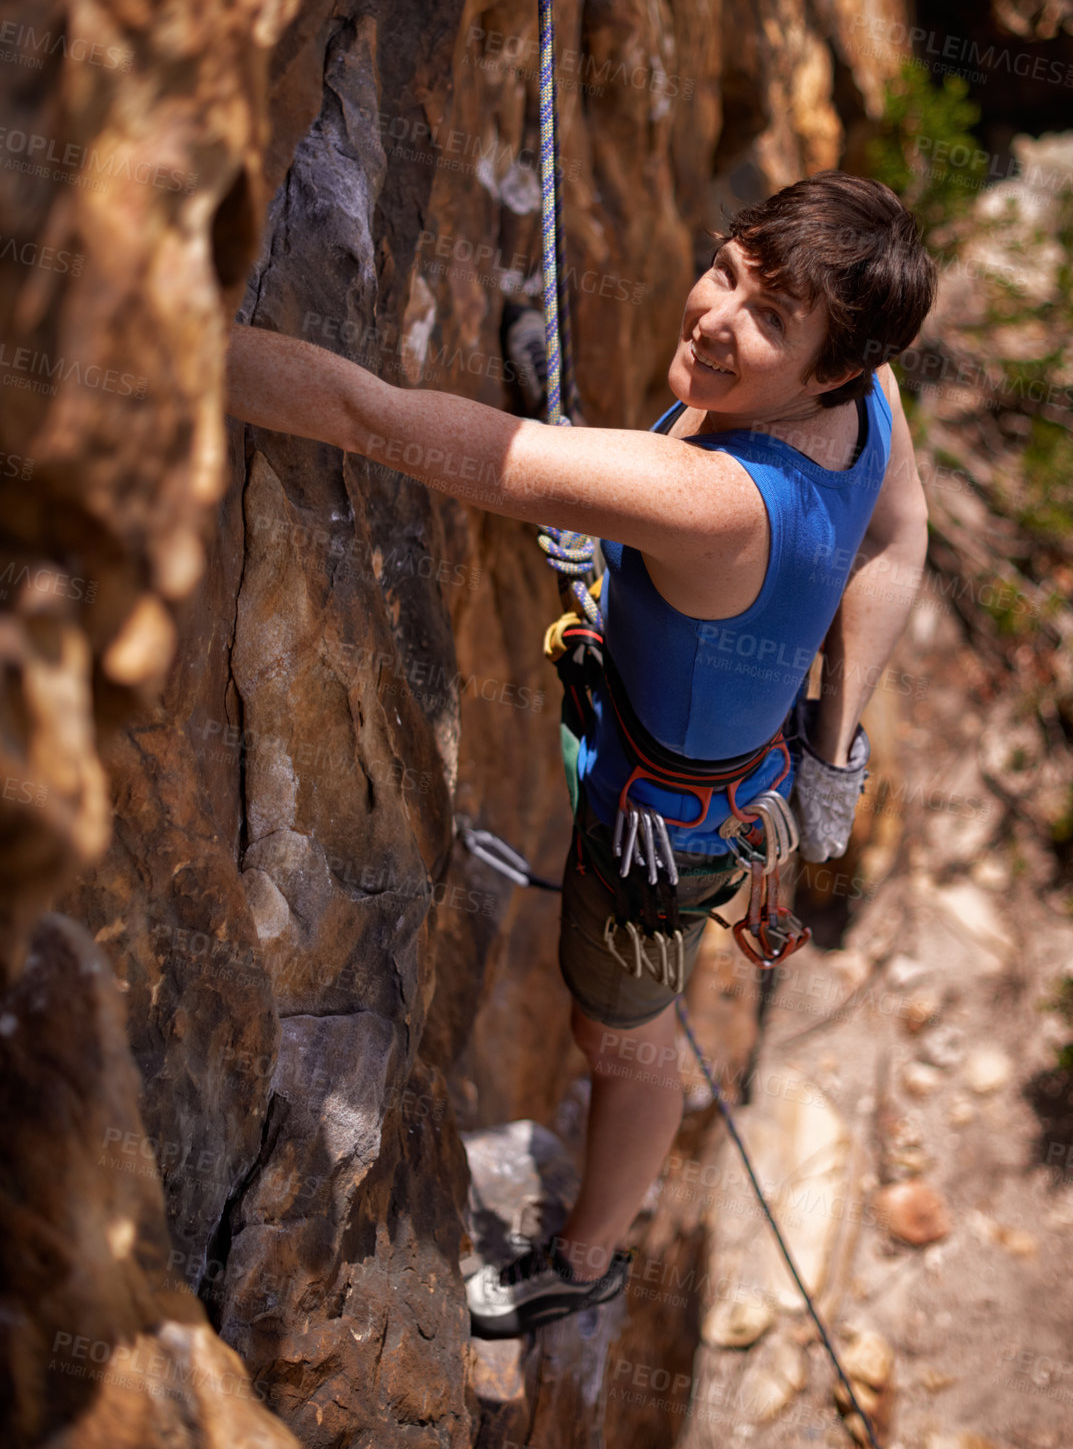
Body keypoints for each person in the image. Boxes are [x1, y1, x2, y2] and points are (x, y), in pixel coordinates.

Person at [225, 170, 936, 1340]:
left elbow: (373, 420)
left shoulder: (711, 501)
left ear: (828, 369)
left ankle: (588, 1257)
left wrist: (145, 339)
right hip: (725, 776)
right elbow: (901, 534)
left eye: (765, 319)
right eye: (726, 271)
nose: (713, 315)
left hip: (656, 840)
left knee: (618, 1039)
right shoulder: (869, 398)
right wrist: (834, 740)